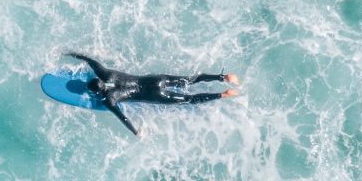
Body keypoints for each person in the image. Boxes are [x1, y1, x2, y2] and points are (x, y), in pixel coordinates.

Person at [64, 52, 239, 136]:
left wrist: (136, 132)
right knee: (188, 80)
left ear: (97, 92)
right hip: (156, 81)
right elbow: (91, 61)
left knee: (189, 99)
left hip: (156, 95)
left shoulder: (109, 100)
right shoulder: (106, 74)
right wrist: (70, 53)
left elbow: (122, 117)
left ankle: (223, 94)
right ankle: (222, 77)